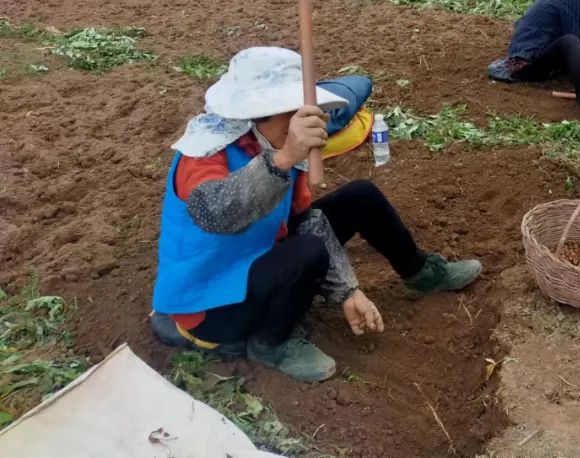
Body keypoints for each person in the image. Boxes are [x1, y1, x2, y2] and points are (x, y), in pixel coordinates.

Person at [149, 47, 483, 382]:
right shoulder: (205, 152)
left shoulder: (275, 144)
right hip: (211, 306)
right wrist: (282, 160)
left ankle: (420, 272)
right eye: (292, 113)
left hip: (257, 259)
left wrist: (348, 290)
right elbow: (217, 214)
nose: (304, 122)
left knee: (359, 197)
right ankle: (270, 342)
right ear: (258, 114)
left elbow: (306, 220)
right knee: (307, 251)